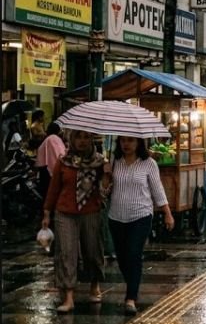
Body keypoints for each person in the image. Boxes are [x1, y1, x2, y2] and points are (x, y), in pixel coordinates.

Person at [41, 130, 108, 313]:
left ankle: (94, 285)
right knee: (66, 252)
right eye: (78, 137)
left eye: (86, 137)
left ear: (92, 140)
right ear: (71, 139)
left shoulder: (100, 163)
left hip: (91, 211)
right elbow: (54, 188)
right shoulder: (63, 162)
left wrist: (107, 175)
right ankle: (68, 296)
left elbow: (106, 190)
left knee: (93, 250)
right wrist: (47, 213)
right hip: (65, 212)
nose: (82, 141)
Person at [107, 135, 173, 314]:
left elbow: (157, 190)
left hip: (141, 215)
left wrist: (167, 213)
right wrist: (105, 175)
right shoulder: (114, 162)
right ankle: (133, 283)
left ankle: (130, 298)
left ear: (138, 143)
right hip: (116, 216)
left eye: (130, 140)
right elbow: (106, 188)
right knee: (122, 258)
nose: (126, 144)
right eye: (123, 141)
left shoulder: (149, 163)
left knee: (133, 254)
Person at [35, 122, 66, 202]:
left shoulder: (51, 139)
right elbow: (58, 154)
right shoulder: (53, 139)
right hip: (49, 170)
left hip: (46, 169)